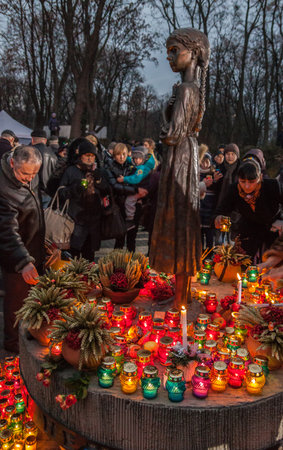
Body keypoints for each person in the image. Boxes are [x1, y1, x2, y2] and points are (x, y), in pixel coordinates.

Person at [149, 27, 210, 305]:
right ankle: (179, 295)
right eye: (168, 52)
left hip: (180, 158)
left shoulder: (186, 89)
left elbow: (171, 134)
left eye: (175, 51)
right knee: (180, 224)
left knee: (179, 223)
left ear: (194, 53)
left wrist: (165, 112)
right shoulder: (190, 88)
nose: (170, 58)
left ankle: (180, 300)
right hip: (185, 155)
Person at [0, 145, 44, 352]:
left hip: (31, 250)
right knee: (16, 304)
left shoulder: (28, 176)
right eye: (25, 173)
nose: (29, 178)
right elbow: (6, 231)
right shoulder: (3, 187)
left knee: (31, 300)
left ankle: (25, 339)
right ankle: (13, 347)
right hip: (16, 258)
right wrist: (23, 261)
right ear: (12, 163)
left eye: (34, 173)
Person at [214, 159, 283, 261]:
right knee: (243, 262)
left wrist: (281, 222)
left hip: (274, 228)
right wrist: (218, 217)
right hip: (249, 229)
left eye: (252, 182)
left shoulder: (272, 186)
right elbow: (223, 208)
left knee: (273, 262)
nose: (247, 186)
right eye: (243, 181)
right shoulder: (234, 189)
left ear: (260, 177)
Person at [59, 141, 110, 261]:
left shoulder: (99, 171)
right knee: (73, 258)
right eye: (87, 155)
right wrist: (76, 187)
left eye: (92, 156)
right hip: (75, 221)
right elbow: (61, 193)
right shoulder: (71, 171)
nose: (90, 158)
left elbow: (107, 191)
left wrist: (99, 181)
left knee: (89, 258)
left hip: (93, 222)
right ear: (80, 156)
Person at [105, 143, 147, 251]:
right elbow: (114, 186)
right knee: (119, 238)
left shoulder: (132, 167)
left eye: (124, 154)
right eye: (119, 154)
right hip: (118, 205)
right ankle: (116, 264)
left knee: (132, 238)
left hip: (132, 206)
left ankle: (131, 264)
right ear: (114, 155)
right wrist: (135, 190)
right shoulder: (109, 167)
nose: (122, 157)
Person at [117, 146, 154, 230]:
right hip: (142, 188)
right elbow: (132, 160)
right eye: (135, 159)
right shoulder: (144, 162)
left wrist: (124, 179)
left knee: (129, 201)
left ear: (143, 159)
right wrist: (125, 157)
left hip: (141, 189)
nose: (137, 161)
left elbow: (136, 179)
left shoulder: (141, 168)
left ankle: (130, 220)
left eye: (139, 159)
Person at [31, 129, 58, 208]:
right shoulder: (53, 154)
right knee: (43, 217)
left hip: (33, 192)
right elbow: (55, 174)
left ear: (32, 139)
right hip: (47, 192)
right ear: (45, 140)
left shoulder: (29, 152)